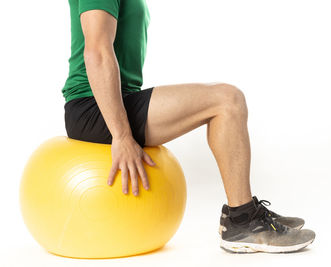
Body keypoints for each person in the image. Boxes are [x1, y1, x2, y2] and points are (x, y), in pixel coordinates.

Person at [63, 0, 315, 253]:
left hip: (116, 100)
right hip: (91, 107)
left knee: (226, 101)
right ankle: (243, 220)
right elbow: (96, 52)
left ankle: (242, 214)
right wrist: (121, 135)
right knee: (227, 100)